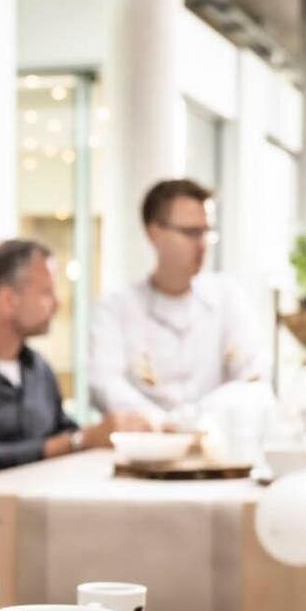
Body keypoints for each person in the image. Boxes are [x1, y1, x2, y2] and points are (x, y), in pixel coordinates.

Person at [0, 239, 150, 475]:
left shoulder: (39, 369)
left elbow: (65, 431)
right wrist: (79, 441)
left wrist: (109, 433)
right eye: (47, 292)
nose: (57, 303)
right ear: (9, 299)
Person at [88, 178, 267, 426]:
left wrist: (196, 420)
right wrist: (161, 423)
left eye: (207, 232)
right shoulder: (116, 307)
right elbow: (103, 383)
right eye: (191, 232)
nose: (202, 244)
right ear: (154, 234)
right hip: (145, 449)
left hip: (216, 444)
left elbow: (253, 378)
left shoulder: (228, 297)